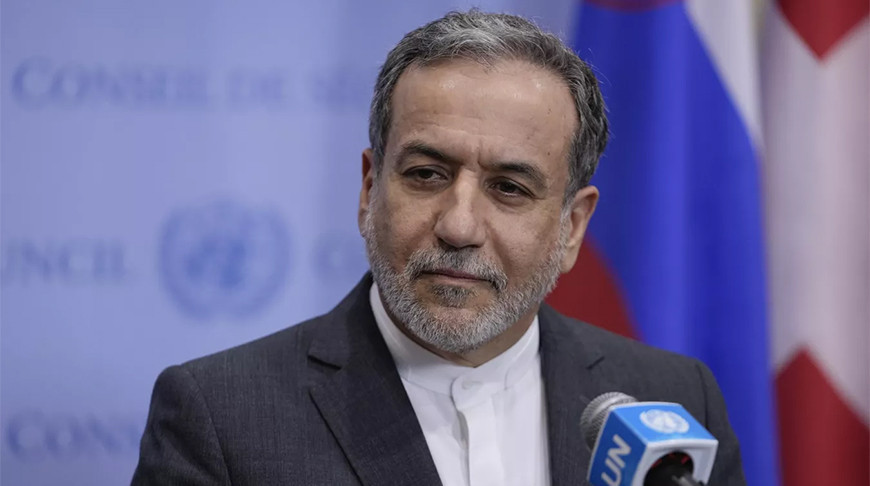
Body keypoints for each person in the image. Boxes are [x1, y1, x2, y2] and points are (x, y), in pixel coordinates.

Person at [132, 10, 746, 486]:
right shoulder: (221, 417)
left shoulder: (675, 398)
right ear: (370, 189)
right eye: (426, 174)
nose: (459, 226)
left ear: (572, 227)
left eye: (509, 188)